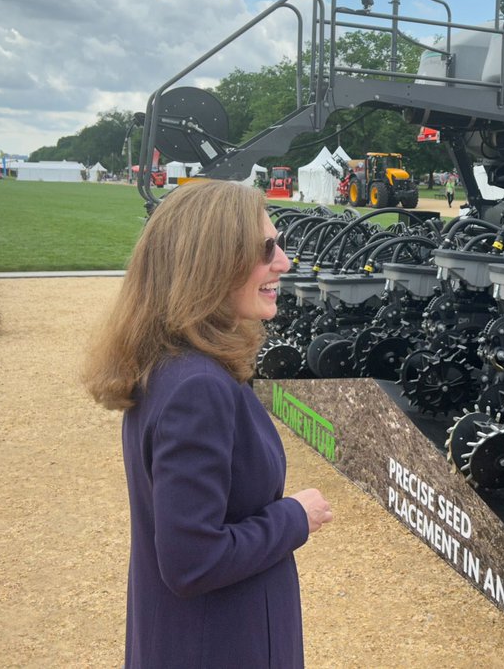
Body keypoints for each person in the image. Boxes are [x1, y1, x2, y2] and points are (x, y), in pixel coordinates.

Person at [83, 180, 333, 668]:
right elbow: (192, 560)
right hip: (218, 644)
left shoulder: (175, 362)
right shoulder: (196, 385)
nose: (282, 262)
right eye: (265, 251)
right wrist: (295, 517)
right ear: (212, 263)